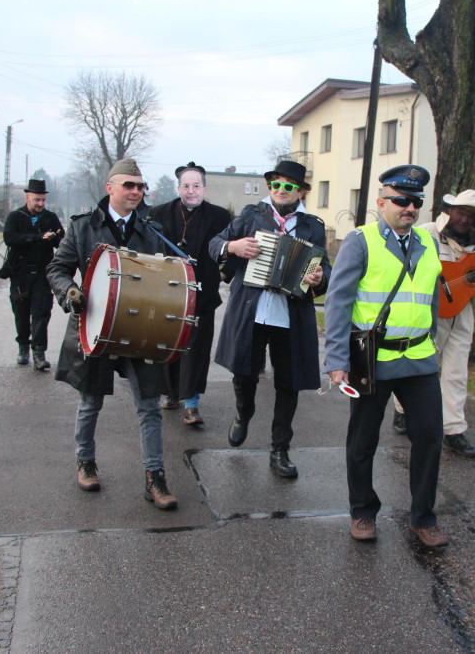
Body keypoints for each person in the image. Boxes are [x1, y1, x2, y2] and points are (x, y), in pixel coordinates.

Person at [323, 164, 449, 548]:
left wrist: (430, 336)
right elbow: (338, 300)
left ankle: (423, 518)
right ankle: (362, 512)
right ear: (381, 202)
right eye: (400, 200)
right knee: (363, 440)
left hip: (419, 359)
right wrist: (337, 359)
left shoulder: (429, 244)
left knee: (429, 437)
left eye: (415, 202)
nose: (408, 208)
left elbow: (429, 299)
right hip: (373, 360)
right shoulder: (361, 241)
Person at [46, 158, 176, 510]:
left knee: (149, 405)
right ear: (110, 188)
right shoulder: (82, 227)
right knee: (90, 401)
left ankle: (155, 478)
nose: (135, 192)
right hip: (94, 327)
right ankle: (85, 462)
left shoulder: (153, 230)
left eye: (139, 186)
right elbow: (57, 268)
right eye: (128, 185)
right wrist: (69, 292)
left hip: (139, 329)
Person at [209, 160, 330, 479]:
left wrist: (319, 279)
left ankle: (280, 449)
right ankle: (243, 413)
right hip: (251, 309)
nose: (280, 190)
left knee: (287, 383)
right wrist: (232, 246)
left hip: (290, 314)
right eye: (275, 184)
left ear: (302, 191)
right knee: (244, 373)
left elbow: (324, 269)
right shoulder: (251, 215)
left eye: (289, 186)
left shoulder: (313, 226)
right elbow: (215, 245)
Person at [392, 190, 475, 458]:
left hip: (461, 314)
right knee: (417, 366)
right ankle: (401, 410)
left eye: (471, 215)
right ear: (451, 210)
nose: (465, 219)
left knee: (456, 373)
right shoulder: (427, 232)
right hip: (427, 311)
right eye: (462, 212)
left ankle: (453, 430)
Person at [149, 162, 231, 428]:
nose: (191, 191)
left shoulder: (219, 217)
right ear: (178, 188)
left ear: (204, 189)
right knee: (168, 343)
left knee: (196, 349)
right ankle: (170, 392)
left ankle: (192, 403)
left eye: (196, 186)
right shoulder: (158, 213)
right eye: (186, 186)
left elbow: (230, 250)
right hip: (168, 292)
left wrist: (226, 273)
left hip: (202, 293)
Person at [2, 178, 63, 370]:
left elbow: (61, 240)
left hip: (43, 274)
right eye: (37, 200)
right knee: (21, 313)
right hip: (20, 274)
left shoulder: (50, 217)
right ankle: (23, 347)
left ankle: (39, 353)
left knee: (41, 313)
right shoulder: (15, 216)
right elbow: (10, 238)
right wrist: (36, 238)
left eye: (43, 200)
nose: (40, 204)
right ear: (28, 197)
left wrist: (55, 237)